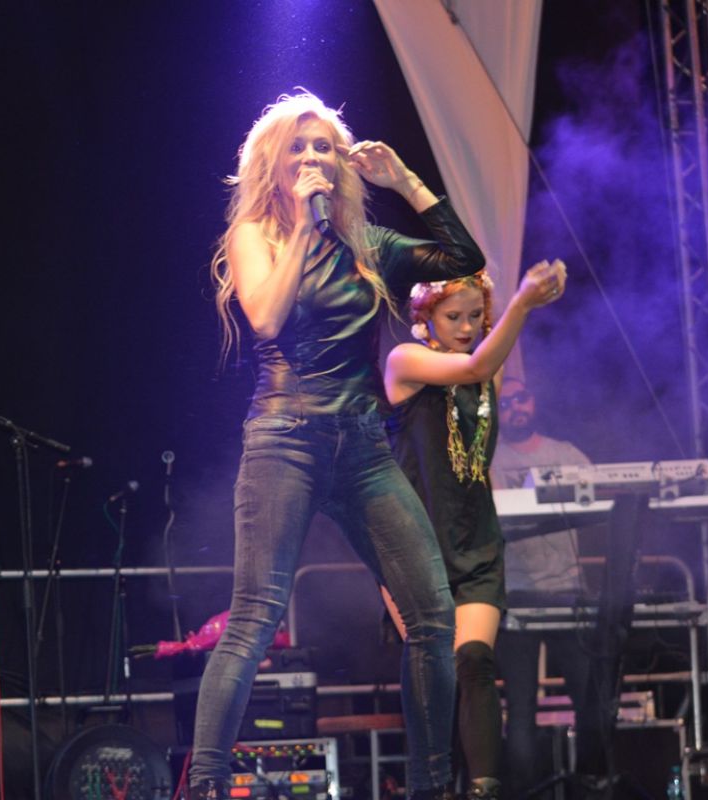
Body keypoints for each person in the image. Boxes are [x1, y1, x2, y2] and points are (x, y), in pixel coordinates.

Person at [189, 90, 486, 800]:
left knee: (432, 616)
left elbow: (464, 256)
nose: (313, 157)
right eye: (298, 147)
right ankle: (204, 784)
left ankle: (430, 786)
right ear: (273, 163)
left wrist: (406, 182)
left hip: (362, 447)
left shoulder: (370, 247)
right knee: (254, 618)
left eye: (324, 147)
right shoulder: (256, 235)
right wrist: (301, 225)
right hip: (285, 439)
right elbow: (265, 317)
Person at [381, 264, 566, 799]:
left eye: (475, 316)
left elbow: (482, 379)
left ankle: (485, 790)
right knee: (434, 667)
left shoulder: (489, 373)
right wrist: (522, 304)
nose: (466, 327)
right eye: (453, 317)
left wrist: (519, 307)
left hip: (476, 541)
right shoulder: (404, 362)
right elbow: (478, 364)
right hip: (414, 542)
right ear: (426, 318)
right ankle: (432, 787)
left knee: (476, 661)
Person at [491, 377, 605, 796]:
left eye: (521, 398)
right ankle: (525, 792)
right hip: (515, 595)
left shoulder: (565, 453)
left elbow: (601, 498)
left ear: (533, 402)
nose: (515, 408)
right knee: (521, 709)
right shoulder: (489, 457)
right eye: (505, 402)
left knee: (590, 700)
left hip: (567, 592)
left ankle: (590, 787)